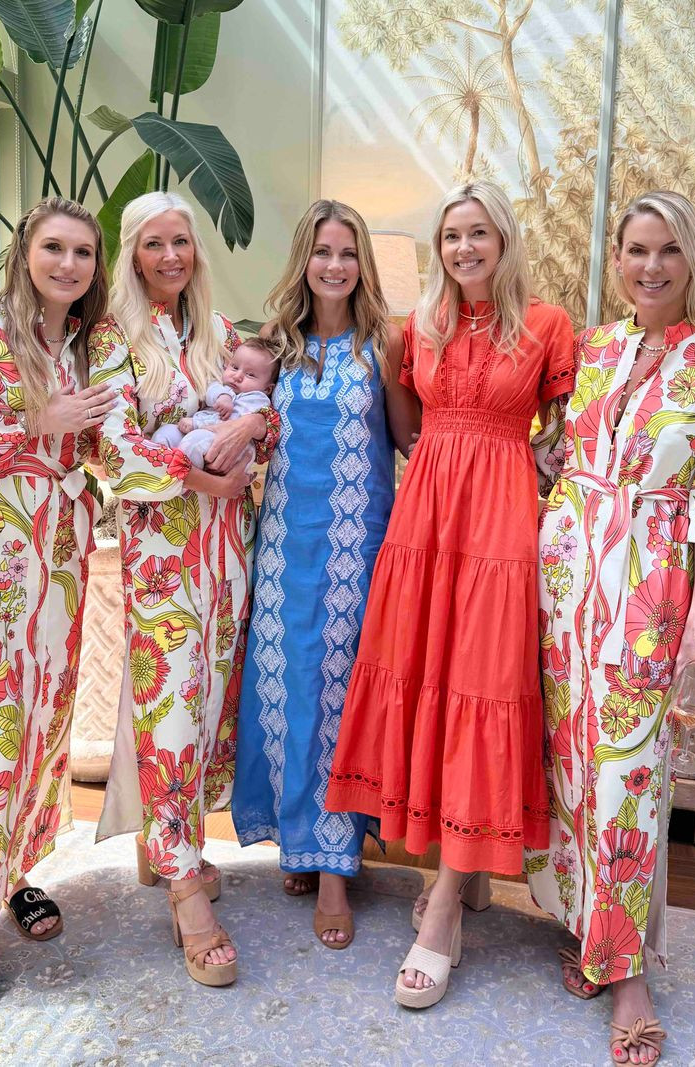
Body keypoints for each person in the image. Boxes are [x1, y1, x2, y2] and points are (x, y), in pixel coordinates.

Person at [325, 181, 575, 1006]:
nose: (464, 248)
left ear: (504, 240)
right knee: (427, 680)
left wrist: (537, 466)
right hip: (426, 516)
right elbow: (407, 428)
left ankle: (442, 910)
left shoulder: (546, 325)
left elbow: (568, 430)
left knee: (481, 685)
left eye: (478, 233)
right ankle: (460, 874)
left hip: (500, 522)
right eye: (451, 236)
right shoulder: (419, 326)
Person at [525, 190, 695, 1065]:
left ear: (692, 260)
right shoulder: (595, 347)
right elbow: (558, 447)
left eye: (668, 250)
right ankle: (585, 928)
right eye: (636, 250)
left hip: (649, 579)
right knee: (568, 757)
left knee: (627, 769)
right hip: (565, 569)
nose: (650, 267)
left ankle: (627, 974)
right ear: (616, 259)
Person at [89, 191, 279, 988]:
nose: (171, 256)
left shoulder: (220, 331)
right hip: (161, 550)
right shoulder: (110, 338)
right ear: (132, 253)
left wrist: (251, 431)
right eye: (154, 243)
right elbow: (112, 447)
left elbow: (264, 413)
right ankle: (183, 888)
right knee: (170, 703)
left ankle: (172, 842)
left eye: (182, 242)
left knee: (207, 706)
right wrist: (201, 476)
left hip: (225, 550)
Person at [231, 199, 420, 949]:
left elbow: (409, 440)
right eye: (322, 251)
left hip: (354, 550)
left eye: (347, 252)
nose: (334, 265)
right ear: (304, 261)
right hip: (282, 545)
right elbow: (237, 424)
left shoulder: (384, 346)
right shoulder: (274, 344)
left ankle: (336, 866)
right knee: (287, 691)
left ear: (362, 263)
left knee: (339, 698)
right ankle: (299, 840)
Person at [0, 197, 112, 1018]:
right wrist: (31, 418)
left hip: (61, 561)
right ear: (24, 250)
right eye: (55, 247)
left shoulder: (83, 346)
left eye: (83, 252)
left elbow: (101, 442)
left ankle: (14, 874)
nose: (68, 264)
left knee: (44, 720)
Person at [151, 336, 278, 471]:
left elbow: (233, 424)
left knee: (193, 442)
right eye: (235, 367)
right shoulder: (224, 386)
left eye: (250, 375)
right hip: (201, 433)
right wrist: (222, 396)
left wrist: (196, 423)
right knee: (165, 433)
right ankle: (158, 473)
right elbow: (211, 388)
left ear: (267, 389)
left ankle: (185, 478)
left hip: (229, 446)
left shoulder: (256, 399)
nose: (237, 376)